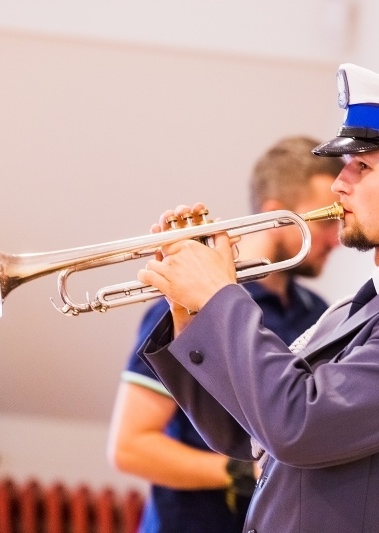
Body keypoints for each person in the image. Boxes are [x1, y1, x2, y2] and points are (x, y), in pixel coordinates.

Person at [135, 63, 379, 532]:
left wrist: (219, 295)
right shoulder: (366, 305)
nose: (338, 184)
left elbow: (298, 425)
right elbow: (248, 430)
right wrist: (190, 310)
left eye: (361, 166)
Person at [107, 136, 344, 532]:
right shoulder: (184, 303)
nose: (336, 237)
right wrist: (243, 470)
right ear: (276, 215)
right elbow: (129, 447)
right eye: (325, 220)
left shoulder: (320, 314)